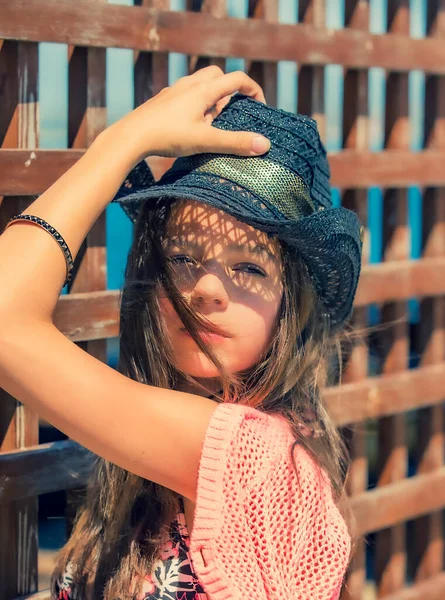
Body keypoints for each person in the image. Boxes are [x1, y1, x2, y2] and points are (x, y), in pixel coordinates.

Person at [0, 67, 363, 600]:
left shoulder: (255, 456)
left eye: (250, 269)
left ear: (292, 302)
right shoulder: (161, 462)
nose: (208, 288)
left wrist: (123, 141)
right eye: (183, 257)